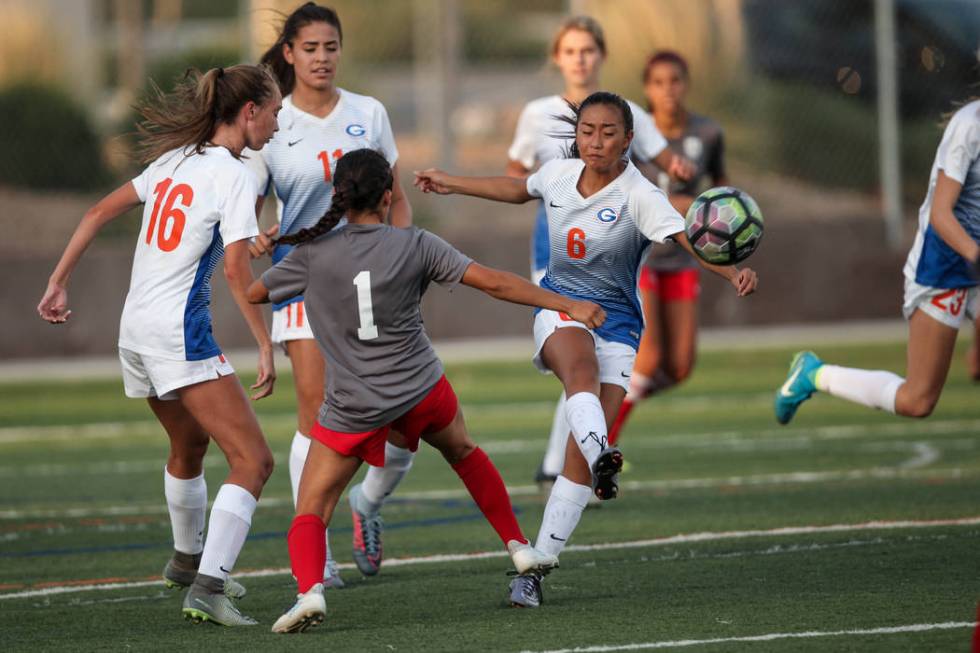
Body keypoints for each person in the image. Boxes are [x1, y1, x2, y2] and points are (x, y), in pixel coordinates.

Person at [415, 91, 758, 607]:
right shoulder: (556, 174)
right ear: (577, 133)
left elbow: (691, 239)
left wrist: (731, 271)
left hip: (619, 326)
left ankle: (536, 569)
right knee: (578, 371)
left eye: (609, 133)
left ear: (627, 141)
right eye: (588, 130)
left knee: (574, 469)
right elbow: (515, 189)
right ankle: (604, 454)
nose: (596, 141)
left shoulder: (639, 194)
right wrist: (451, 181)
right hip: (559, 307)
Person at [245, 148, 603, 632]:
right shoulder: (416, 244)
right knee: (465, 453)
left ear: (338, 198)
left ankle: (309, 592)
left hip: (353, 405)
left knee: (312, 507)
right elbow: (496, 284)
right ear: (389, 197)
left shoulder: (312, 256)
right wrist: (568, 305)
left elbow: (256, 293)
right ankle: (519, 546)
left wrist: (264, 250)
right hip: (421, 390)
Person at [37, 65, 283, 626]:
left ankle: (186, 560)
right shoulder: (236, 175)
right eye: (273, 113)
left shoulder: (174, 160)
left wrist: (57, 281)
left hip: (136, 331)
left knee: (189, 445)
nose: (275, 124)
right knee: (254, 461)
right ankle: (209, 587)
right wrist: (264, 342)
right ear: (249, 112)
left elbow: (98, 211)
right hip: (177, 333)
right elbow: (235, 274)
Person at [247, 2, 414, 584]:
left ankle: (367, 504)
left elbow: (395, 199)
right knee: (317, 417)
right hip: (306, 282)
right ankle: (315, 553)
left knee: (403, 422)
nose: (322, 58)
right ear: (289, 53)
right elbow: (249, 212)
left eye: (331, 47)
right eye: (310, 48)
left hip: (370, 283)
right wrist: (259, 235)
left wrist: (402, 260)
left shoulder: (369, 112)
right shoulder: (272, 123)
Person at [506, 15, 695, 487]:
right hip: (553, 251)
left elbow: (663, 161)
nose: (580, 59)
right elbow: (517, 174)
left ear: (601, 56)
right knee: (574, 360)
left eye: (588, 50)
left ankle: (557, 466)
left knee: (589, 363)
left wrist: (680, 171)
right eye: (570, 51)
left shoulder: (628, 113)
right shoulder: (536, 113)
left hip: (613, 254)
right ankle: (563, 464)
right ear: (557, 58)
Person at [775, 99, 980, 423]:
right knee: (918, 400)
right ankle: (814, 374)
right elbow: (942, 215)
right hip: (943, 267)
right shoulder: (970, 125)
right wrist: (975, 257)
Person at [609, 50, 728, 445]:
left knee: (678, 368)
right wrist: (682, 205)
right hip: (639, 257)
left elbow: (721, 195)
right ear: (647, 89)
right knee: (650, 359)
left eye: (675, 81)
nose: (668, 90)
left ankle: (605, 408)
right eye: (658, 83)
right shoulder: (632, 138)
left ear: (686, 83)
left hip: (683, 258)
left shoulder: (707, 134)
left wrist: (728, 227)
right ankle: (598, 444)